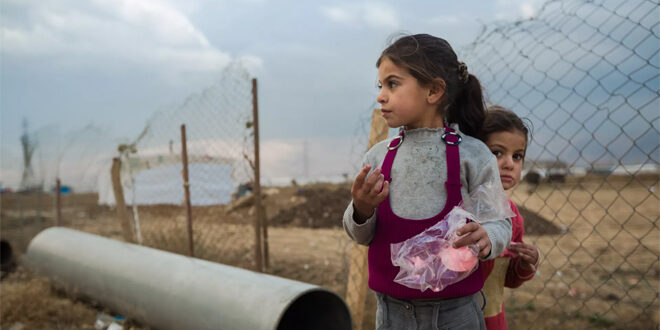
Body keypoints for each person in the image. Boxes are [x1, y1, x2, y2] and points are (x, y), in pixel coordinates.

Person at [343, 34, 512, 330]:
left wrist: (488, 236)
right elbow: (361, 235)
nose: (381, 95)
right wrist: (362, 208)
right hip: (390, 314)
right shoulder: (378, 155)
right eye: (380, 86)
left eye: (392, 84)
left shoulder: (472, 154)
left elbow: (500, 221)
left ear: (433, 91)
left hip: (456, 314)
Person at [479, 105, 541, 329]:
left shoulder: (512, 216)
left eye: (517, 156)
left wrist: (526, 263)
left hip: (493, 321)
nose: (509, 164)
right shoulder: (457, 210)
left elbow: (509, 279)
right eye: (497, 153)